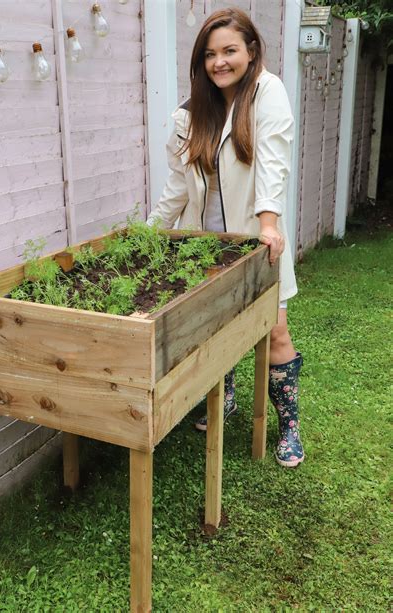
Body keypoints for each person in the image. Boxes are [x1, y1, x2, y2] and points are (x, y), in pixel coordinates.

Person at [147, 8, 304, 468]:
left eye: (230, 51)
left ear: (250, 51)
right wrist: (148, 234)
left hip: (256, 243)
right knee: (215, 327)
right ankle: (226, 394)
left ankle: (289, 426)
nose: (220, 62)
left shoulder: (266, 93)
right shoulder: (189, 114)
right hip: (206, 249)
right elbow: (178, 187)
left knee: (274, 333)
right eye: (210, 54)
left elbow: (273, 162)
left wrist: (269, 223)